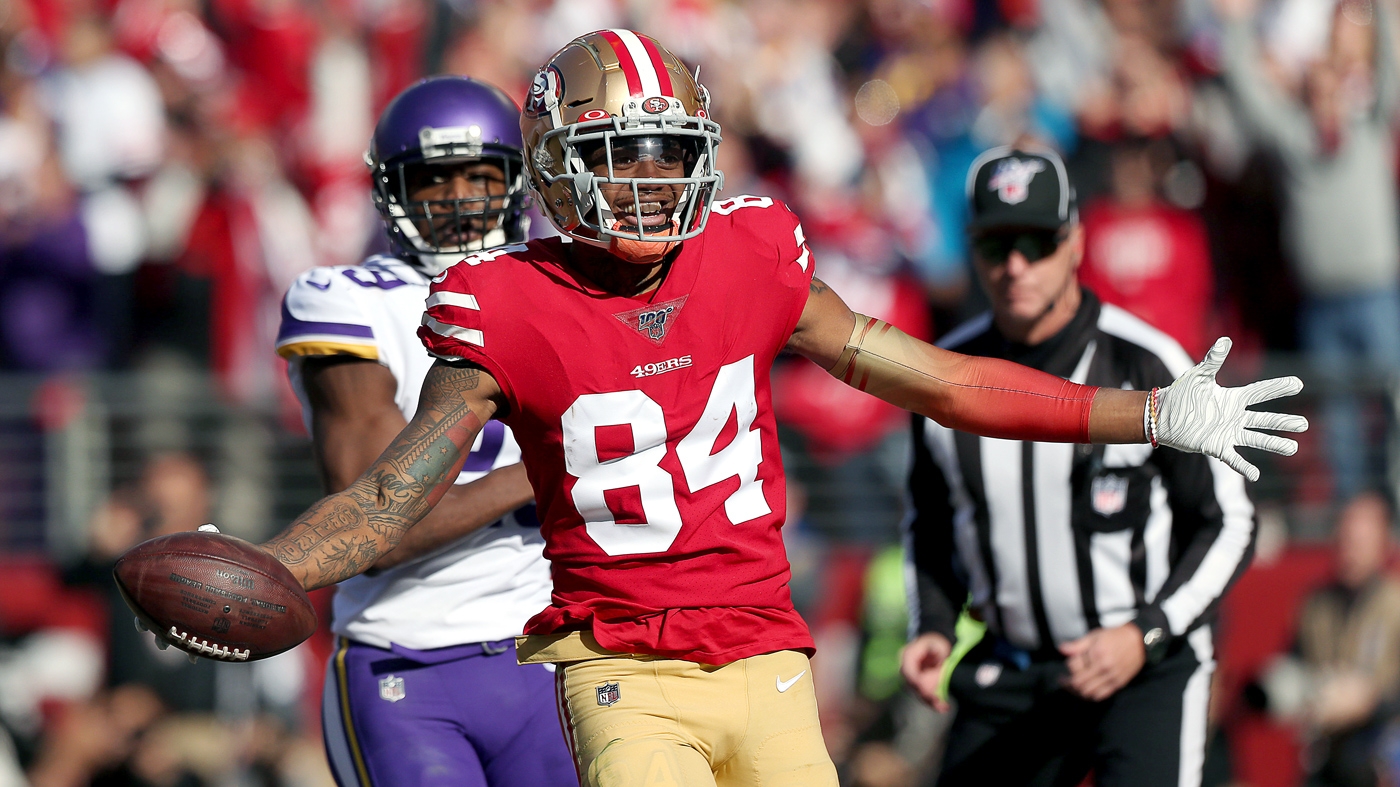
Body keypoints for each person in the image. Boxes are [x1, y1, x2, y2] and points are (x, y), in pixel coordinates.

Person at [158, 30, 1303, 787]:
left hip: (768, 657)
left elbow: (941, 379)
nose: (651, 181)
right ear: (558, 165)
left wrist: (1139, 414)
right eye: (620, 153)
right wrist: (264, 562)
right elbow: (385, 496)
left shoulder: (748, 252)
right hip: (624, 673)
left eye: (668, 154)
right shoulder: (502, 303)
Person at [899, 146, 1256, 787]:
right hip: (1011, 665)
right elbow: (929, 519)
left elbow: (1229, 521)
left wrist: (1146, 632)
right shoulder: (944, 376)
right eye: (994, 245)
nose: (1015, 266)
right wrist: (933, 623)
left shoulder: (1147, 361)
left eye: (1036, 242)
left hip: (1143, 664)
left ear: (1075, 242)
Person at [272, 76, 575, 787]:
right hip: (408, 658)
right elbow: (376, 531)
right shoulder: (348, 301)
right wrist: (541, 468)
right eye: (436, 179)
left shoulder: (563, 287)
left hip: (548, 648)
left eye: (481, 173)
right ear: (393, 192)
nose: (462, 199)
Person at [1217, 0, 1400, 498]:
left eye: (1330, 87)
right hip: (1321, 302)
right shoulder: (1293, 141)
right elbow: (1250, 92)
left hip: (1377, 293)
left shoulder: (1369, 128)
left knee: (1394, 405)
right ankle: (1349, 516)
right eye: (1313, 89)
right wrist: (1234, 28)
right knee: (1338, 422)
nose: (1324, 98)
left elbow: (1388, 68)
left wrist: (1382, 11)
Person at [1260, 492, 1400, 787]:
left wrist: (1371, 702)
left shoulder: (1395, 604)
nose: (1349, 551)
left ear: (1383, 543)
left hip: (1383, 755)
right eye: (1344, 539)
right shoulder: (1316, 604)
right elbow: (1295, 665)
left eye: (1359, 542)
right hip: (1325, 753)